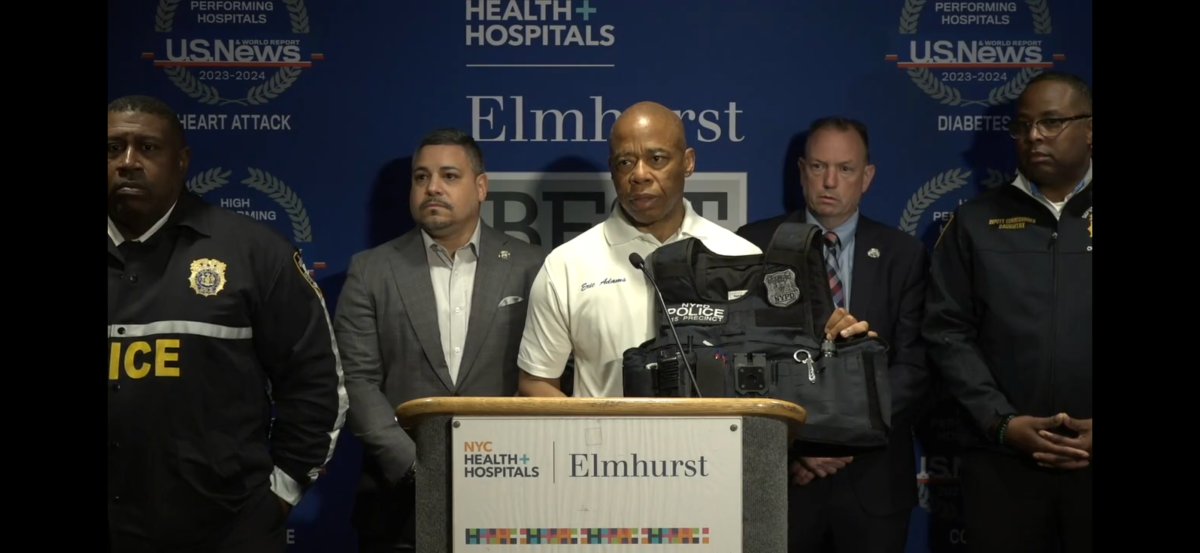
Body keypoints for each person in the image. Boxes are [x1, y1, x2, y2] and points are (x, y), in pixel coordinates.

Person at [107, 95, 347, 553]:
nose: (129, 163)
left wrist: (279, 495)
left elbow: (318, 385)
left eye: (148, 148)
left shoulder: (254, 252)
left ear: (182, 161)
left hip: (225, 530)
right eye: (113, 149)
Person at [517, 102, 874, 398]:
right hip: (602, 467)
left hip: (713, 467)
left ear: (688, 162)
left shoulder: (742, 255)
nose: (639, 174)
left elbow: (778, 368)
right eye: (625, 162)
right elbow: (535, 382)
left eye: (657, 159)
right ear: (612, 170)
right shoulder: (567, 265)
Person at [335, 128, 546, 552]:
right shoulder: (371, 270)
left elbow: (550, 373)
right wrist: (416, 469)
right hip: (397, 502)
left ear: (481, 187)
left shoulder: (533, 265)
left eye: (450, 176)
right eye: (421, 177)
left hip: (509, 491)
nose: (432, 187)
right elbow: (356, 380)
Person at [737, 117, 930, 552]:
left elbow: (915, 367)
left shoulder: (904, 254)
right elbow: (740, 361)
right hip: (782, 480)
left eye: (844, 169)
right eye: (818, 167)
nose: (829, 181)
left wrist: (841, 439)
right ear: (801, 170)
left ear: (867, 176)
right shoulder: (752, 246)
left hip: (872, 481)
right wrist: (799, 443)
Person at [922, 71, 1092, 553]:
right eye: (1023, 126)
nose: (1034, 136)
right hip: (1002, 462)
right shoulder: (974, 222)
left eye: (1052, 122)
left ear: (1090, 129)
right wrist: (1001, 422)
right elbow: (947, 331)